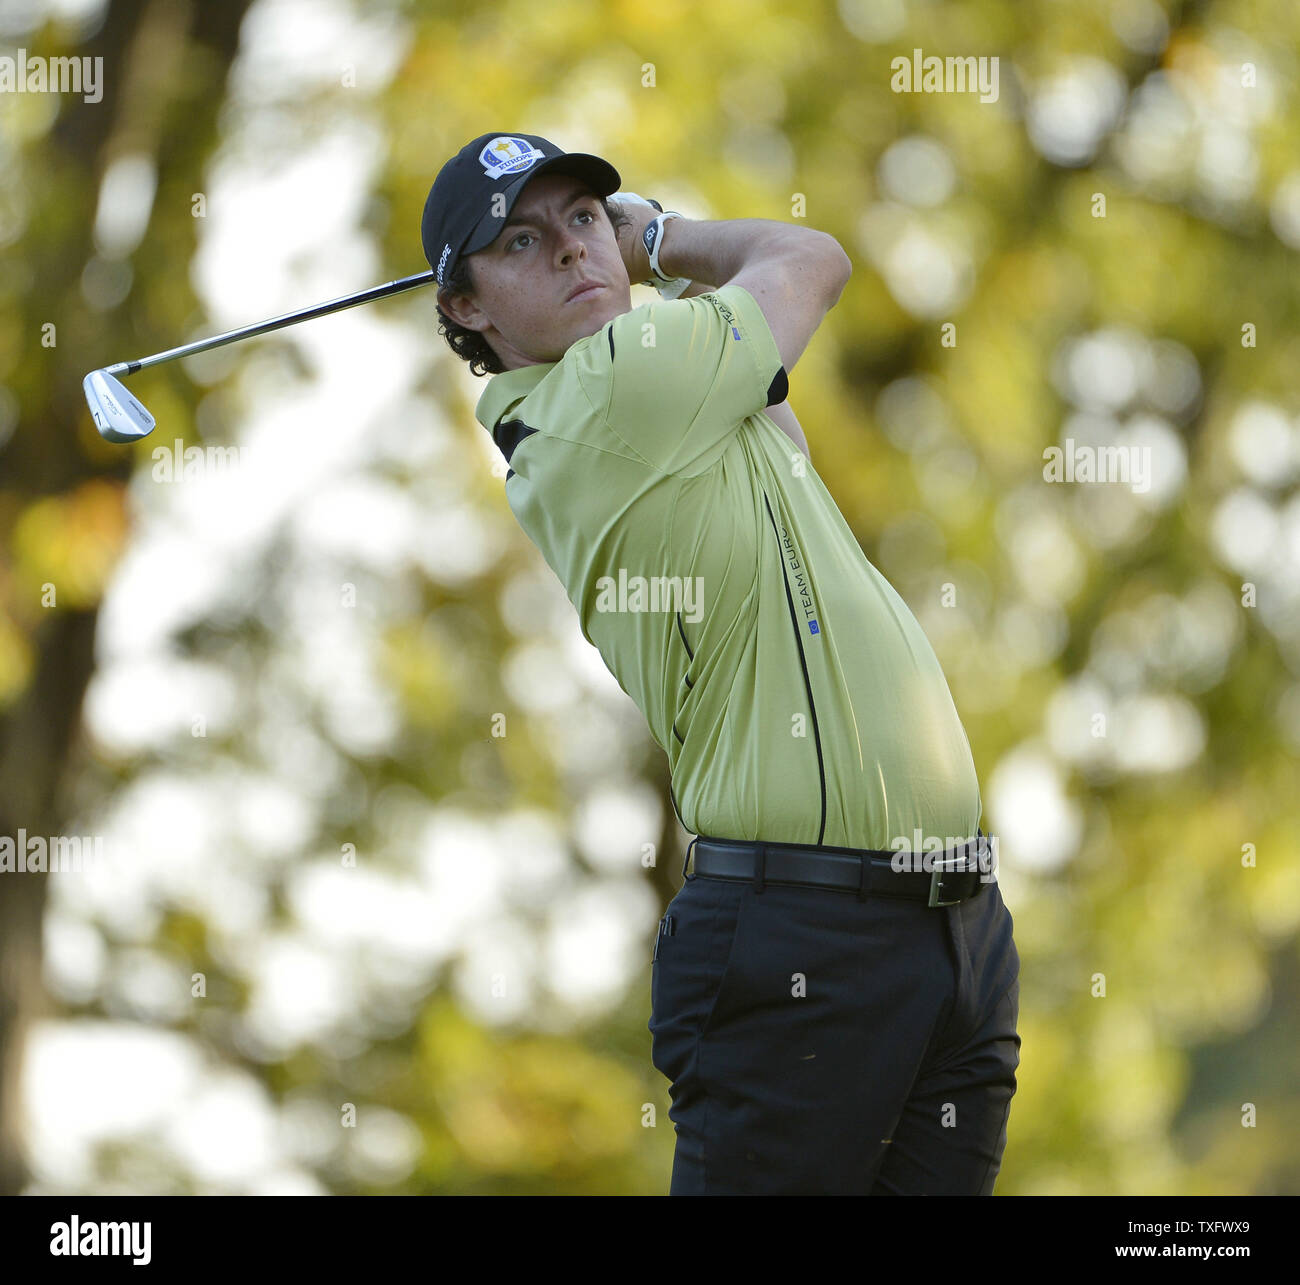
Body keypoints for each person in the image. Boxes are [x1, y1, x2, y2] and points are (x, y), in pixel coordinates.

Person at [422, 132, 1021, 1196]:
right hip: (806, 936)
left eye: (582, 219)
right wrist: (660, 236)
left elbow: (773, 391)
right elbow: (808, 261)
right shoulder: (606, 394)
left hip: (954, 929)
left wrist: (642, 255)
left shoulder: (683, 396)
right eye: (521, 241)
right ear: (465, 308)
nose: (570, 251)